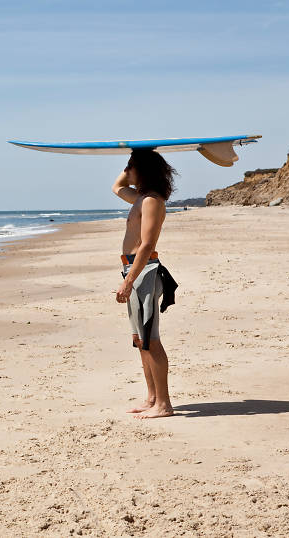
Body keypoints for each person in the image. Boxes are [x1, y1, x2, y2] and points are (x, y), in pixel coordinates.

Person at [111, 149, 178, 419]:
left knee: (150, 339)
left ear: (143, 170)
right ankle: (152, 397)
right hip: (134, 270)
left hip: (144, 272)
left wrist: (128, 281)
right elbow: (117, 186)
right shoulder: (140, 198)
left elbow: (147, 244)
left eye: (131, 166)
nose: (127, 170)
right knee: (140, 340)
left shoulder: (151, 201)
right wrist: (133, 160)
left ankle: (164, 403)